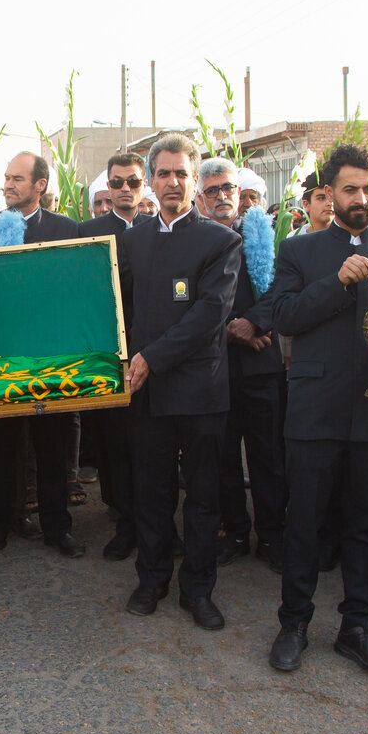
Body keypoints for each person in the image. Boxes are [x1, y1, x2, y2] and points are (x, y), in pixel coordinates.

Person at [266, 144, 368, 675]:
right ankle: (294, 623)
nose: (362, 198)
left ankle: (357, 628)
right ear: (328, 193)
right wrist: (339, 281)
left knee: (364, 523)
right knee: (304, 520)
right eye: (350, 189)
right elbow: (284, 317)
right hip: (315, 409)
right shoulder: (300, 251)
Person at [119, 133, 241, 631]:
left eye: (181, 174)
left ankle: (198, 588)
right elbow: (118, 307)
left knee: (204, 496)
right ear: (151, 180)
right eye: (163, 174)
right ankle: (151, 580)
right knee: (151, 492)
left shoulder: (220, 241)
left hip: (199, 390)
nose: (172, 182)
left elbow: (209, 315)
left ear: (195, 182)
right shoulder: (131, 240)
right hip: (144, 389)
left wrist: (152, 356)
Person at [0, 152, 85, 564]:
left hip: (53, 359)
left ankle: (57, 527)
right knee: (0, 447)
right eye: (7, 178)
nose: (8, 185)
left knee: (53, 447)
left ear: (41, 185)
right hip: (0, 359)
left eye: (18, 178)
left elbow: (73, 291)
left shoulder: (66, 229)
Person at [195, 159, 286, 571]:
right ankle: (234, 531)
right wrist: (231, 329)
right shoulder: (194, 239)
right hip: (214, 367)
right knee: (223, 457)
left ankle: (272, 535)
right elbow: (193, 303)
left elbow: (282, 288)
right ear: (201, 196)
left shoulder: (261, 234)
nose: (221, 197)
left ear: (238, 193)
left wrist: (254, 323)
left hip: (261, 363)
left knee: (268, 456)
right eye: (212, 190)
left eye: (227, 188)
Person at [78, 153, 153, 559]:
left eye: (134, 182)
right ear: (107, 186)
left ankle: (153, 522)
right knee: (111, 441)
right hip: (105, 351)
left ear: (145, 187)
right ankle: (123, 519)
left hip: (150, 349)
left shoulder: (157, 229)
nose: (126, 188)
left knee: (149, 442)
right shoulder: (87, 231)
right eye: (118, 181)